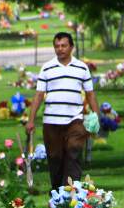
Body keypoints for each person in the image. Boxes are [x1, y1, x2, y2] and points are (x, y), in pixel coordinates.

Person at [26, 32, 100, 190]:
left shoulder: (82, 68)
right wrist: (31, 120)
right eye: (57, 46)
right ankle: (57, 192)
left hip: (75, 120)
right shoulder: (47, 68)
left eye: (64, 46)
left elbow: (90, 94)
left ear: (71, 47)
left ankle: (70, 192)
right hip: (51, 122)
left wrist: (96, 117)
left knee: (73, 151)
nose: (60, 49)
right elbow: (39, 95)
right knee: (55, 158)